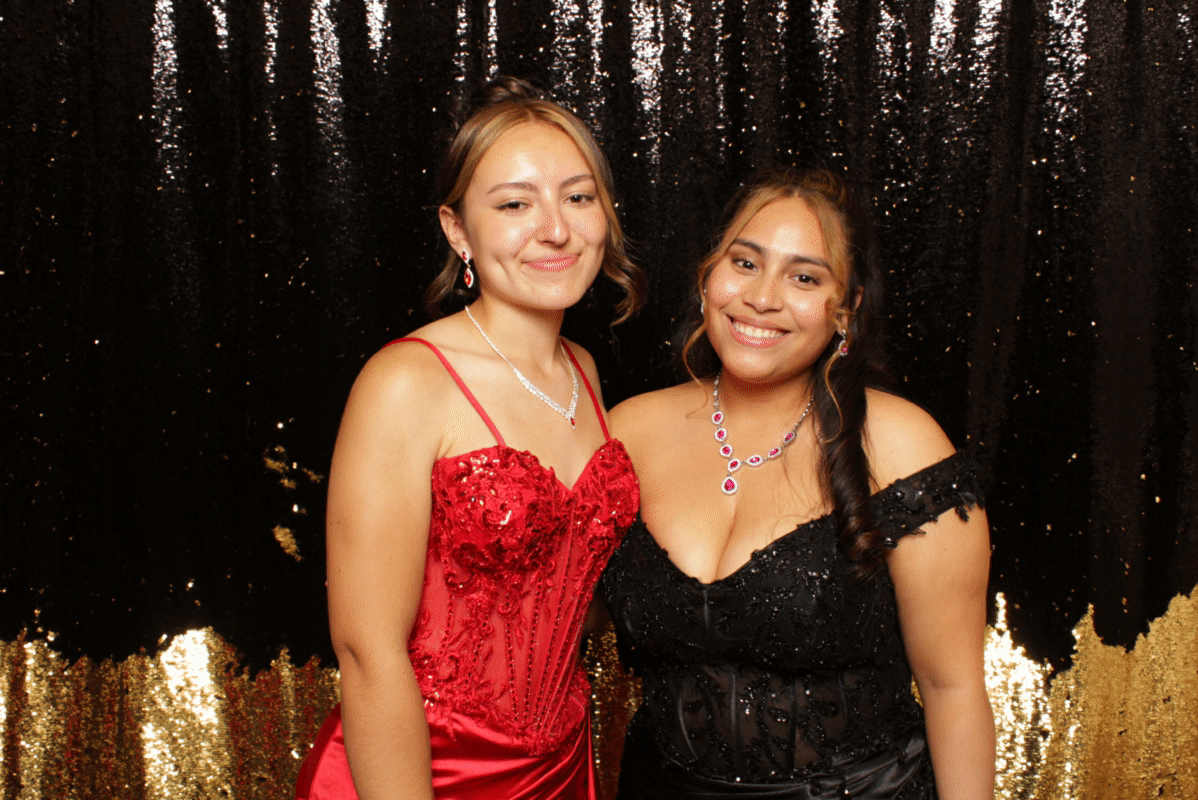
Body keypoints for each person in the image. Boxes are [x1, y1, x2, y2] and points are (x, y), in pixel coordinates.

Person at [295, 78, 645, 800]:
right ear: (457, 231)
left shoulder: (583, 371)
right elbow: (367, 651)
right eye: (515, 204)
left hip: (562, 767)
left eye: (578, 198)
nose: (556, 229)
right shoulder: (405, 382)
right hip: (426, 771)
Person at [599, 167, 994, 799]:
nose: (763, 297)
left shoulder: (903, 447)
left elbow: (953, 689)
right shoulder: (629, 430)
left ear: (846, 310)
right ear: (708, 277)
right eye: (745, 263)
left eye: (804, 277)